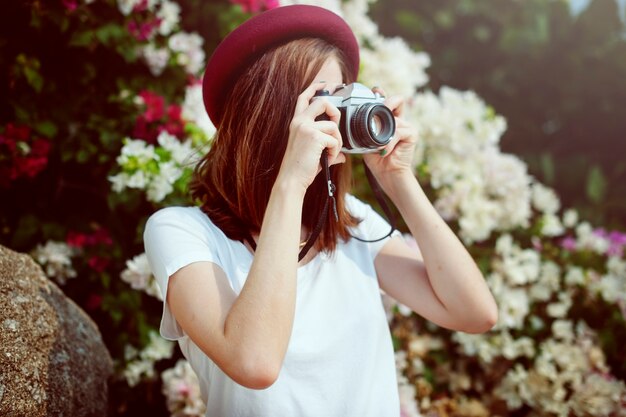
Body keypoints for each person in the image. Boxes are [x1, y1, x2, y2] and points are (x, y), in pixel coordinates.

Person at [144, 4, 498, 416]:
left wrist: (399, 179)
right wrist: (290, 183)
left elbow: (474, 313)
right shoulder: (182, 232)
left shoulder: (350, 223)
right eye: (319, 99)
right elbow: (254, 363)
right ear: (266, 110)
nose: (334, 114)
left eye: (342, 96)